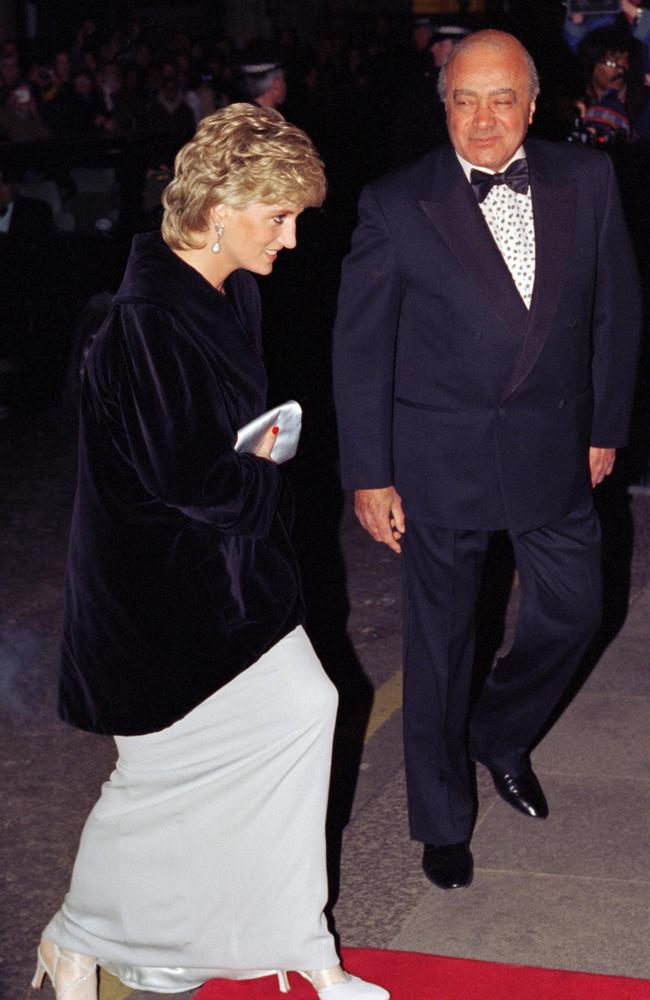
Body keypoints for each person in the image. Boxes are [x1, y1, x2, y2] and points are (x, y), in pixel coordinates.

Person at [31, 104, 389, 1000]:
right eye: (280, 218)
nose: (293, 238)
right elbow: (203, 479)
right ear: (221, 207)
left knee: (304, 711)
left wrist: (268, 451)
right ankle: (79, 935)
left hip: (225, 584)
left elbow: (239, 451)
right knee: (156, 782)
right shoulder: (148, 320)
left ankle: (290, 940)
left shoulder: (231, 291)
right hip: (157, 605)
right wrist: (280, 457)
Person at [333, 31, 641, 892]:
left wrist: (605, 424)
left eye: (500, 98)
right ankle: (441, 818)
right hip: (440, 463)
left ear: (533, 106)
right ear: (444, 105)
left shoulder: (589, 181)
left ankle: (500, 733)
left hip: (554, 450)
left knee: (578, 612)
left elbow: (617, 311)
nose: (481, 119)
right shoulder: (397, 203)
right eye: (464, 99)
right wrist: (369, 472)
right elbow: (361, 353)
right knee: (440, 649)